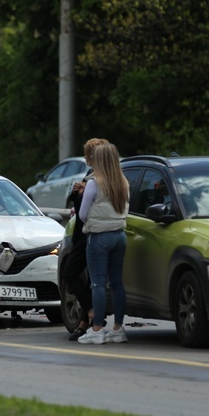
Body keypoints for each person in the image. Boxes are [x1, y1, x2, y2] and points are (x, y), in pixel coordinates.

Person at [76, 143, 130, 344]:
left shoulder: (94, 183)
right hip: (120, 235)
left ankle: (97, 329)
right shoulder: (123, 182)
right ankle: (118, 328)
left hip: (99, 237)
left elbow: (82, 215)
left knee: (98, 283)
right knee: (117, 284)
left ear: (98, 160)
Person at [65, 138, 109, 341]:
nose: (85, 157)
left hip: (89, 233)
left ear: (95, 156)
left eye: (87, 154)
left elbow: (86, 212)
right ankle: (87, 320)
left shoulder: (100, 179)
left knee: (73, 274)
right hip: (83, 233)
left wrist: (82, 195)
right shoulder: (90, 176)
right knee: (85, 278)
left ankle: (92, 314)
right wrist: (76, 194)